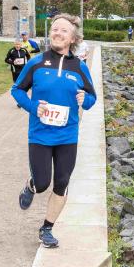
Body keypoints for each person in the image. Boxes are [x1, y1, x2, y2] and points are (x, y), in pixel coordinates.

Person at [12, 13, 97, 248]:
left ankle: (47, 228)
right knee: (42, 183)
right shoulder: (37, 63)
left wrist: (85, 99)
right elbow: (17, 90)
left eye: (64, 31)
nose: (58, 33)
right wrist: (33, 107)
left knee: (61, 182)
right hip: (40, 134)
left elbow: (92, 99)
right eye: (55, 29)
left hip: (67, 136)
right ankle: (31, 186)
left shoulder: (79, 68)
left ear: (73, 39)